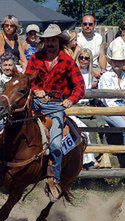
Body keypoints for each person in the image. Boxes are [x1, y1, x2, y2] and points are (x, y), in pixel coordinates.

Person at [25, 24, 85, 200]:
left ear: (59, 41)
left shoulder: (67, 61)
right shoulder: (36, 58)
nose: (50, 43)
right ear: (44, 42)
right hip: (35, 103)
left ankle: (54, 179)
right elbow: (27, 80)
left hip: (56, 106)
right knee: (6, 125)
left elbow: (80, 87)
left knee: (56, 144)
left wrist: (71, 99)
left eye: (53, 40)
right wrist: (36, 89)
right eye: (47, 40)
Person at [98, 49, 125, 149]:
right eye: (115, 61)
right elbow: (107, 101)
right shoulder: (106, 76)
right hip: (108, 110)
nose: (117, 63)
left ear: (123, 62)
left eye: (120, 61)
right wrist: (121, 112)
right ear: (111, 62)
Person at [77, 14, 107, 78]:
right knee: (93, 84)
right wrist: (93, 72)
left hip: (96, 67)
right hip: (82, 68)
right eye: (85, 24)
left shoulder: (99, 37)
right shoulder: (77, 39)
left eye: (90, 24)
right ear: (81, 25)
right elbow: (78, 61)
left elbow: (101, 56)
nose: (87, 26)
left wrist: (103, 70)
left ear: (94, 25)